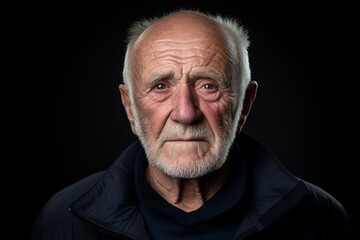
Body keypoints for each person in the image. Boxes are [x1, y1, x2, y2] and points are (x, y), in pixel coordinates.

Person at [32, 9, 351, 240]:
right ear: (130, 108)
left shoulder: (320, 219)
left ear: (245, 105)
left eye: (208, 85)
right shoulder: (62, 221)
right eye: (160, 87)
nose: (185, 113)